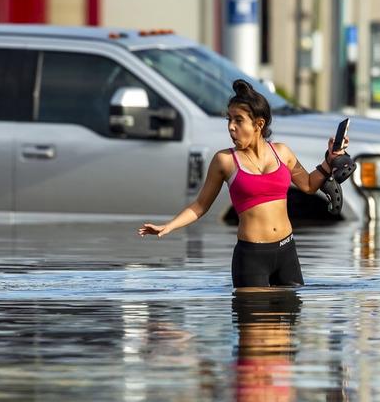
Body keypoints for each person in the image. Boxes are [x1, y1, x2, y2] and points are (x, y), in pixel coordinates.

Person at [138, 79, 349, 288]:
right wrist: (169, 226)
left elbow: (310, 185)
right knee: (255, 320)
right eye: (229, 120)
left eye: (238, 120)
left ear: (259, 124)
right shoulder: (225, 161)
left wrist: (330, 160)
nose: (231, 127)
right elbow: (200, 205)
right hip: (252, 258)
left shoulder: (282, 153)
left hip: (287, 252)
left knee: (288, 321)